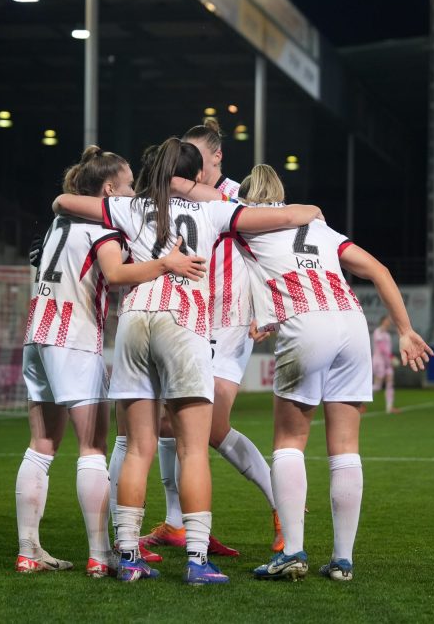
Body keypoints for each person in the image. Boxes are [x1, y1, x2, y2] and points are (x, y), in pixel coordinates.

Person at [52, 139, 322, 584]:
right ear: (196, 176)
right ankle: (197, 560)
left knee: (136, 446)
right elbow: (282, 217)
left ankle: (128, 556)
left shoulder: (130, 207)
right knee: (193, 448)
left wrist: (149, 194)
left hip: (135, 318)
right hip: (183, 320)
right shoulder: (214, 210)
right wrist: (311, 211)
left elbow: (63, 201)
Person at [236, 164, 433, 582]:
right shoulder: (319, 228)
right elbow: (379, 270)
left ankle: (292, 551)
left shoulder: (246, 223)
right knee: (345, 447)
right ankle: (343, 560)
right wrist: (404, 330)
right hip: (351, 323)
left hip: (307, 322)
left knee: (289, 441)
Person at [15, 146, 206, 575]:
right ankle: (101, 556)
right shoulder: (102, 226)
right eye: (128, 185)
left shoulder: (58, 223)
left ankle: (28, 550)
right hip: (74, 337)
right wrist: (166, 264)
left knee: (42, 445)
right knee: (93, 447)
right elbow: (116, 275)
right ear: (107, 190)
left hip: (37, 334)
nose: (134, 192)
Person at [137, 119, 282, 559]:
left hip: (229, 321)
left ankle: (283, 506)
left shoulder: (238, 196)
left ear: (216, 157)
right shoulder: (174, 197)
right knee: (168, 423)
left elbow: (270, 248)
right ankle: (176, 523)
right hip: (185, 319)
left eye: (197, 158)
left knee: (211, 428)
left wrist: (268, 310)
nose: (188, 167)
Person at [371, 315, 400, 414]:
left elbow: (386, 349)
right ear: (383, 321)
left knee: (390, 384)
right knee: (377, 387)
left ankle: (389, 407)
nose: (389, 322)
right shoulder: (378, 332)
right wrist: (392, 357)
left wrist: (390, 359)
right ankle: (357, 401)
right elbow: (382, 348)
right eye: (387, 321)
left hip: (387, 362)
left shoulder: (387, 335)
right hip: (379, 362)